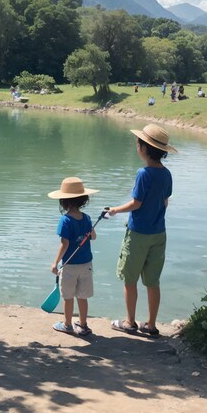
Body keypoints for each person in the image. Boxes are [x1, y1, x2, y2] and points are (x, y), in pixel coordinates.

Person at [107, 123, 177, 339]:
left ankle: (129, 322)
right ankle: (151, 325)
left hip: (138, 234)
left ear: (144, 148)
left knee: (130, 279)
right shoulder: (166, 174)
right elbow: (165, 201)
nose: (136, 145)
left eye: (138, 143)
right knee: (152, 281)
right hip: (159, 233)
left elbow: (136, 204)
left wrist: (115, 210)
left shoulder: (143, 173)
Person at [48, 177, 98, 336]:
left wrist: (55, 262)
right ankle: (83, 325)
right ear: (83, 200)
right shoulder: (87, 218)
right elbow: (93, 237)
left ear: (63, 202)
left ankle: (67, 324)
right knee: (82, 297)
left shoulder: (65, 220)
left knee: (68, 297)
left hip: (69, 266)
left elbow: (65, 244)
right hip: (86, 264)